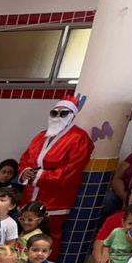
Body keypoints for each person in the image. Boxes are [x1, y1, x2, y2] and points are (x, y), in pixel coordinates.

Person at [17, 98, 93, 240]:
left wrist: (39, 176)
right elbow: (26, 158)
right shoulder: (41, 136)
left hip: (55, 200)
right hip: (30, 196)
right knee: (24, 236)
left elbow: (71, 171)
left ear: (72, 115)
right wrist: (25, 171)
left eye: (63, 113)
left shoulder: (80, 138)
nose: (57, 116)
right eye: (54, 113)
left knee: (49, 237)